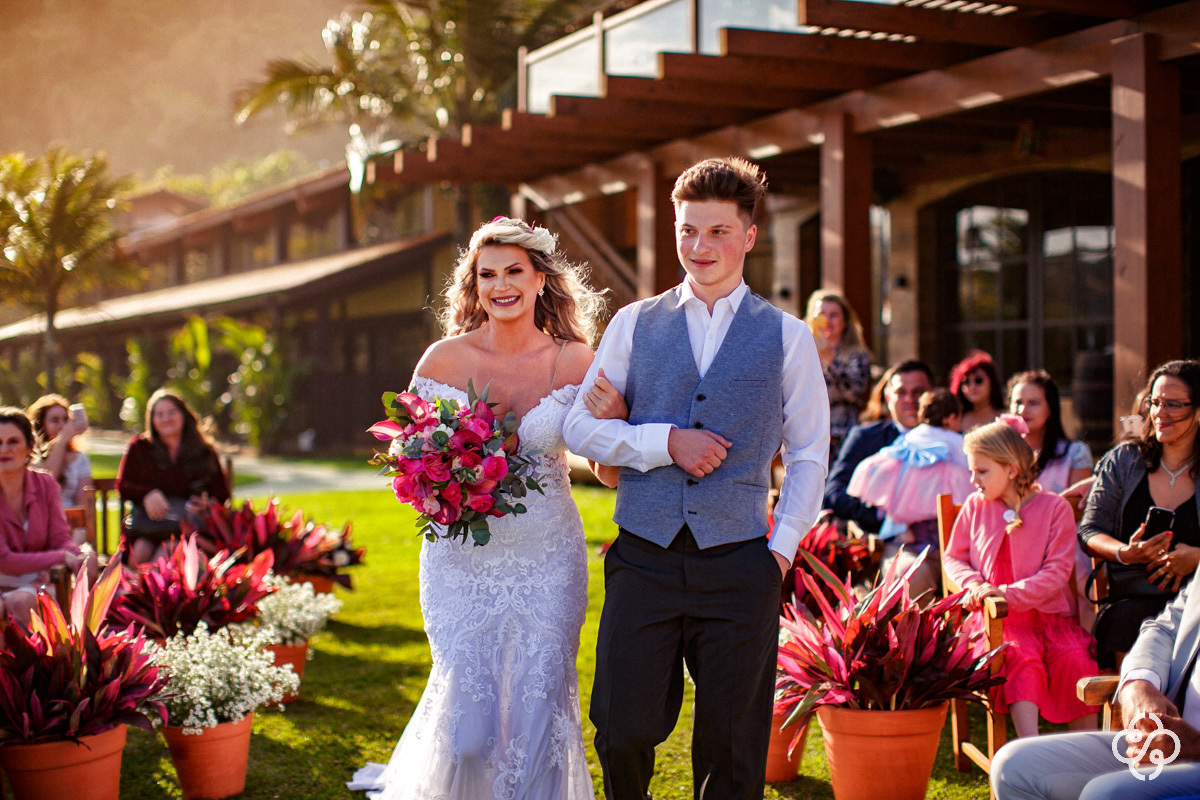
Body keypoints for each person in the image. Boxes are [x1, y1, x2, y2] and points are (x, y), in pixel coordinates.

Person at [564, 157, 828, 800]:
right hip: (644, 556)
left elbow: (810, 453)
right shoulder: (634, 322)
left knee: (733, 750)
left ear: (748, 237)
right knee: (621, 728)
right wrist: (665, 443)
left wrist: (780, 552)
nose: (699, 246)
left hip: (741, 563)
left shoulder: (789, 337)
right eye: (687, 231)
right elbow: (579, 429)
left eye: (715, 231)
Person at [351, 217, 606, 800]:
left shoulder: (574, 361)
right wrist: (433, 477)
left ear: (541, 279)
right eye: (487, 274)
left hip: (547, 559)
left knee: (538, 716)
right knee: (468, 733)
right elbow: (406, 450)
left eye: (514, 271)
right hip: (459, 561)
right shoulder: (442, 360)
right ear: (475, 286)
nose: (501, 285)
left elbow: (602, 460)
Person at [944, 420, 1098, 739]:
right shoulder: (975, 506)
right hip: (994, 622)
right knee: (1019, 657)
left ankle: (1089, 750)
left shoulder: (1055, 508)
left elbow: (1056, 574)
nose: (973, 480)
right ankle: (1030, 750)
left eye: (982, 471)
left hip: (1049, 620)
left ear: (1011, 469)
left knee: (1075, 660)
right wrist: (975, 586)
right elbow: (953, 557)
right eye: (972, 471)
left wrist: (1005, 592)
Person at [991, 574, 1200, 800]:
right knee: (1014, 766)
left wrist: (1194, 744)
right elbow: (1166, 627)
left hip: (1192, 750)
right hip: (1162, 740)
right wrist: (1138, 682)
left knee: (1102, 793)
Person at [1079, 360, 1200, 668]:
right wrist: (1125, 553)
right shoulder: (1124, 461)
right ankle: (1131, 715)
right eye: (1155, 402)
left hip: (1196, 602)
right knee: (1127, 619)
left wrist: (1197, 557)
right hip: (1131, 599)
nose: (1159, 413)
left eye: (1173, 404)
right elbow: (1090, 531)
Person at [848, 388, 973, 572]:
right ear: (951, 418)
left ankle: (902, 531)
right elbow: (967, 464)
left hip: (909, 494)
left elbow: (892, 455)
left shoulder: (913, 434)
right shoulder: (955, 439)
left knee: (900, 513)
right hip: (937, 501)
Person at [0, 407, 95, 625]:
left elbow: (59, 539)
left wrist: (78, 555)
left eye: (13, 441)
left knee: (21, 601)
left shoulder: (45, 484)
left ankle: (62, 655)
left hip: (34, 582)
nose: (4, 449)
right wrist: (61, 557)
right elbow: (3, 560)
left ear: (29, 447)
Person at [116, 389, 230, 566]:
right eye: (159, 414)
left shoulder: (204, 451)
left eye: (171, 412)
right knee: (138, 553)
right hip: (149, 527)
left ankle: (153, 591)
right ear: (152, 420)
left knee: (167, 551)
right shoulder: (140, 447)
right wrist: (147, 494)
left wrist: (208, 504)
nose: (166, 418)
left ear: (184, 415)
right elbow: (123, 485)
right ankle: (142, 590)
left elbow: (222, 493)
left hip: (190, 530)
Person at [824, 359, 933, 538]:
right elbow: (834, 492)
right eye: (901, 392)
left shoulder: (949, 440)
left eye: (918, 392)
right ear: (888, 397)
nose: (910, 399)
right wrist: (876, 515)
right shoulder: (865, 437)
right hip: (883, 542)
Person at [804, 289, 872, 463]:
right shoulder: (800, 350)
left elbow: (854, 392)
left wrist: (829, 360)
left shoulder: (857, 354)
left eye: (834, 315)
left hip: (842, 437)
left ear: (845, 321)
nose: (827, 320)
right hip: (806, 436)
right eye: (821, 314)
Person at [27, 394, 93, 511]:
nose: (62, 425)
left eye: (65, 420)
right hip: (40, 520)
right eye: (55, 420)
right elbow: (48, 477)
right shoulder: (30, 456)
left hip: (70, 522)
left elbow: (83, 503)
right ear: (40, 424)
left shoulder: (80, 458)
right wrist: (62, 440)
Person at [950, 351, 1003, 433]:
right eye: (966, 382)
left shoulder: (1006, 418)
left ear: (992, 383)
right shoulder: (955, 420)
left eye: (978, 380)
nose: (972, 386)